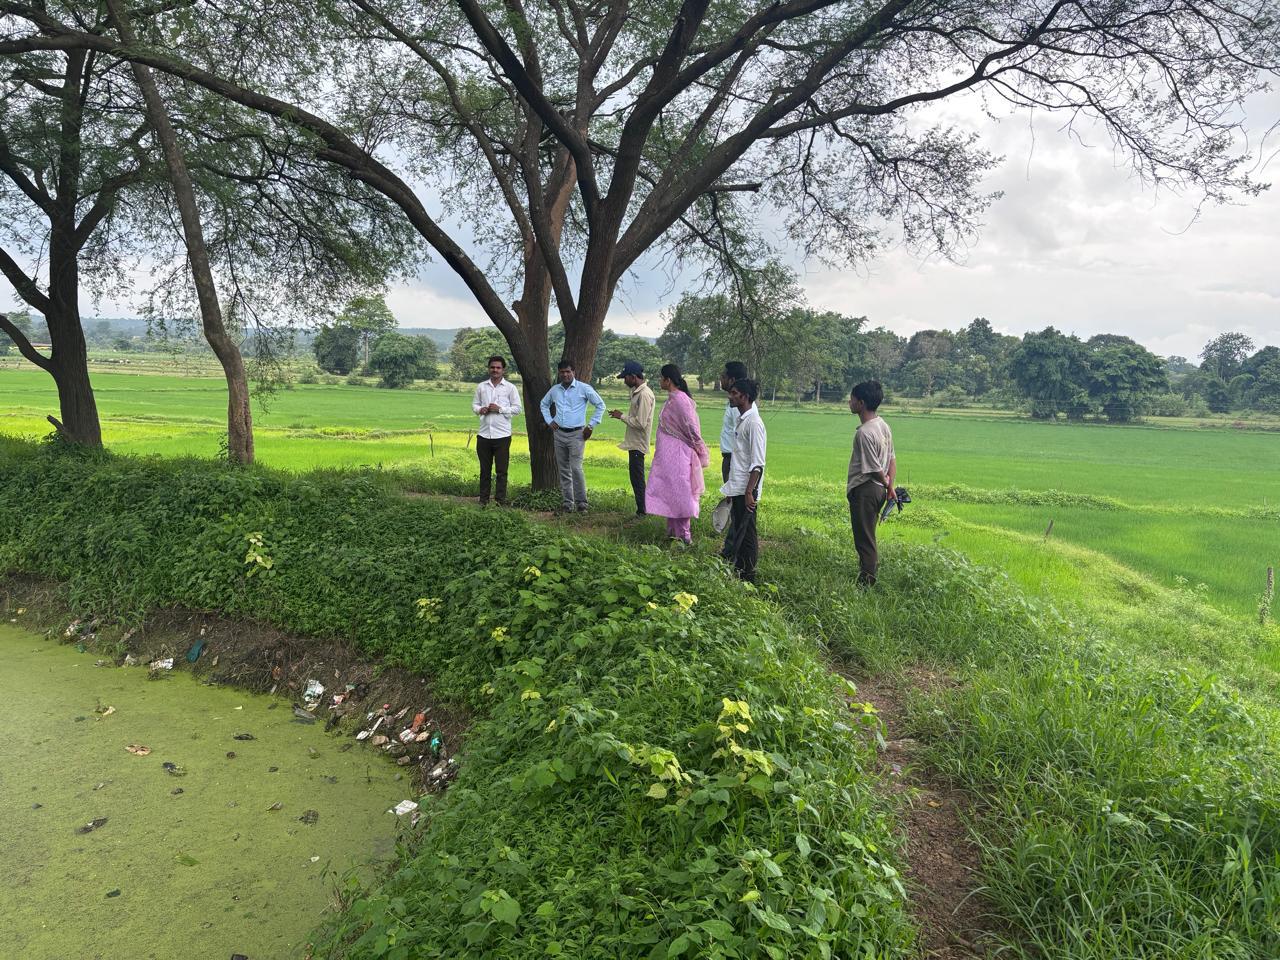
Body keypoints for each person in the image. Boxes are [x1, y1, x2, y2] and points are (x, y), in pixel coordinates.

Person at [645, 364, 710, 544]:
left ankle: (684, 537)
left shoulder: (680, 400)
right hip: (669, 456)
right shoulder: (672, 399)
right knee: (671, 493)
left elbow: (691, 427)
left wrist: (700, 449)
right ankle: (672, 534)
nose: (660, 381)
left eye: (661, 378)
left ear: (668, 380)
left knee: (681, 495)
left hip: (679, 456)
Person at [847, 380, 897, 586]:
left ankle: (866, 583)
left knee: (865, 539)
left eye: (852, 399)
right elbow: (892, 459)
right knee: (868, 534)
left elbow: (875, 469)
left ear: (861, 403)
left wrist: (886, 484)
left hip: (866, 490)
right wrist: (889, 486)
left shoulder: (864, 433)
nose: (849, 402)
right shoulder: (883, 425)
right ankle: (867, 574)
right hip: (878, 491)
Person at [539, 359, 605, 514]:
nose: (565, 375)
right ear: (559, 373)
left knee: (576, 468)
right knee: (563, 469)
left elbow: (600, 405)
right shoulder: (555, 390)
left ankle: (582, 504)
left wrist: (591, 425)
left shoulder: (584, 388)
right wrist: (549, 420)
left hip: (577, 434)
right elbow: (544, 404)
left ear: (573, 372)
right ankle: (568, 503)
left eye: (568, 371)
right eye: (562, 372)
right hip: (559, 433)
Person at [719, 378, 765, 582]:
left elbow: (757, 463)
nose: (730, 397)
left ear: (745, 397)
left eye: (734, 393)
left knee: (748, 534)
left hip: (748, 489)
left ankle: (749, 576)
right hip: (739, 486)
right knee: (739, 530)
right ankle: (739, 571)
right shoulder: (742, 419)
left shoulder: (754, 423)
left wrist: (749, 492)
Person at [471, 355, 522, 506]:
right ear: (489, 369)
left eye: (498, 367)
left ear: (503, 370)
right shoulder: (481, 387)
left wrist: (500, 409)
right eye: (492, 367)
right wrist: (480, 409)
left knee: (501, 471)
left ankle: (500, 501)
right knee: (484, 470)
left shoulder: (510, 388)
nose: (495, 370)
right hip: (484, 435)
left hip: (502, 436)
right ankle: (483, 501)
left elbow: (517, 408)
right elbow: (474, 405)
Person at [608, 360, 656, 518]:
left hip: (638, 444)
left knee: (637, 479)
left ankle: (643, 512)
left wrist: (621, 416)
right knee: (636, 478)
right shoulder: (637, 392)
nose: (624, 381)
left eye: (625, 377)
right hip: (634, 443)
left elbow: (641, 423)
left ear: (634, 377)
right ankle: (643, 510)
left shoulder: (644, 394)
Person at [719, 361, 748, 482]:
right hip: (730, 457)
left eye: (723, 377)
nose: (721, 380)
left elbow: (742, 435)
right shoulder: (733, 402)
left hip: (735, 459)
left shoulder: (738, 404)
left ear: (732, 380)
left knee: (734, 493)